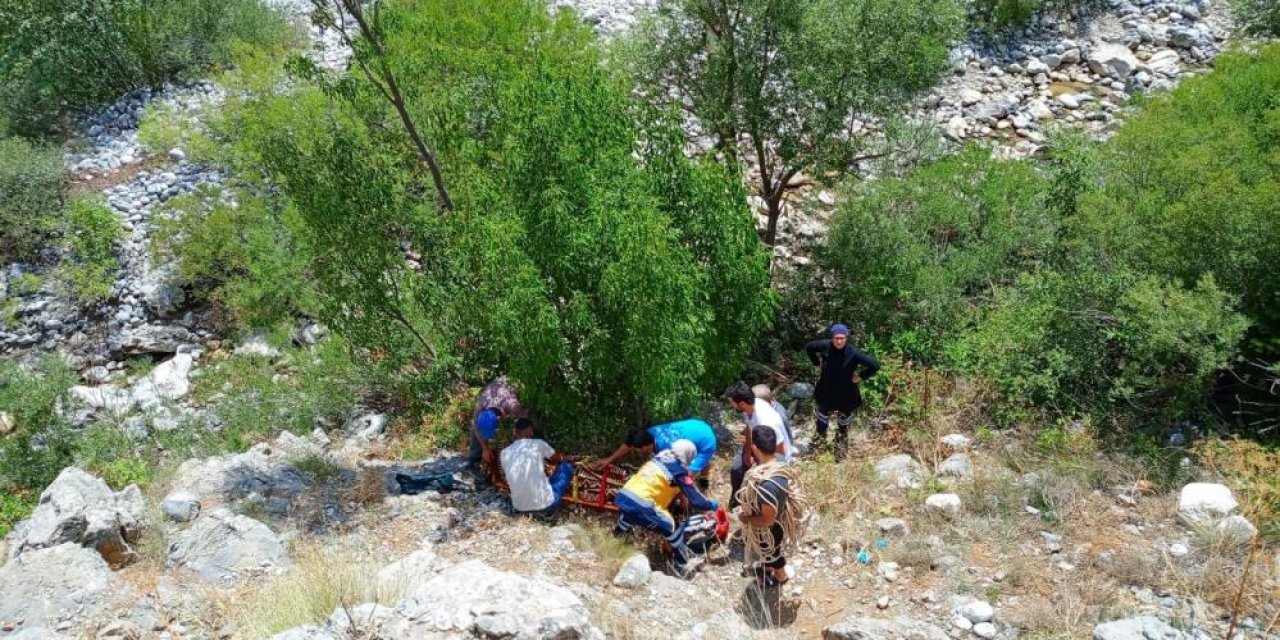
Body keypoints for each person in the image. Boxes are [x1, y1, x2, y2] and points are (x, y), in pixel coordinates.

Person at [614, 440, 720, 578]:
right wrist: (712, 504)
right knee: (670, 527)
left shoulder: (659, 457)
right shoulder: (679, 471)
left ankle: (614, 542)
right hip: (642, 504)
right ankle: (683, 566)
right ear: (687, 455)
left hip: (624, 496)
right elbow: (697, 500)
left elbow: (662, 485)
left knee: (628, 516)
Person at [734, 424, 808, 589]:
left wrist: (744, 518)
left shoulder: (767, 484)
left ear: (754, 447)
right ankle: (766, 572)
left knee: (771, 552)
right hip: (779, 520)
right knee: (769, 551)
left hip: (770, 528)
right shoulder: (779, 466)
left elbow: (766, 520)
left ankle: (781, 577)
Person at [805, 324, 880, 454]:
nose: (839, 341)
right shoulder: (825, 345)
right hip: (826, 390)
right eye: (836, 338)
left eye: (842, 338)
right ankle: (818, 447)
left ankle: (840, 449)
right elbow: (809, 347)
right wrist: (817, 363)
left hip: (846, 393)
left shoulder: (853, 353)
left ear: (846, 338)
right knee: (822, 422)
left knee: (843, 424)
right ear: (832, 338)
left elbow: (874, 365)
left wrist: (861, 376)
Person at [725, 381, 793, 510]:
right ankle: (736, 503)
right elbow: (750, 427)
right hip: (758, 447)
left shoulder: (767, 422)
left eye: (731, 403)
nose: (730, 406)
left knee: (760, 484)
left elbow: (779, 448)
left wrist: (763, 466)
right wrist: (747, 451)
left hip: (774, 456)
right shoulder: (749, 407)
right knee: (737, 469)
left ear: (742, 404)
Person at [591, 418, 718, 476]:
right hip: (695, 425)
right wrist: (609, 460)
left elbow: (684, 475)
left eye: (637, 450)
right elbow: (629, 445)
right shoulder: (649, 434)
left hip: (706, 442)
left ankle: (704, 478)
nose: (636, 452)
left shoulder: (667, 451)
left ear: (645, 447)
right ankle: (705, 468)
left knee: (690, 471)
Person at [501, 418, 574, 517]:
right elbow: (558, 458)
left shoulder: (504, 453)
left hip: (519, 507)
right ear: (531, 432)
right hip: (546, 506)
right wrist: (565, 458)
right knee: (566, 466)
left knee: (545, 480)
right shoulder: (538, 444)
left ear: (515, 432)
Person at [469, 376, 527, 479]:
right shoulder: (481, 405)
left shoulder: (512, 405)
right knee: (475, 429)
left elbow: (524, 419)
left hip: (519, 384)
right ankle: (474, 461)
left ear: (499, 419)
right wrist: (485, 448)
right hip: (496, 390)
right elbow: (475, 425)